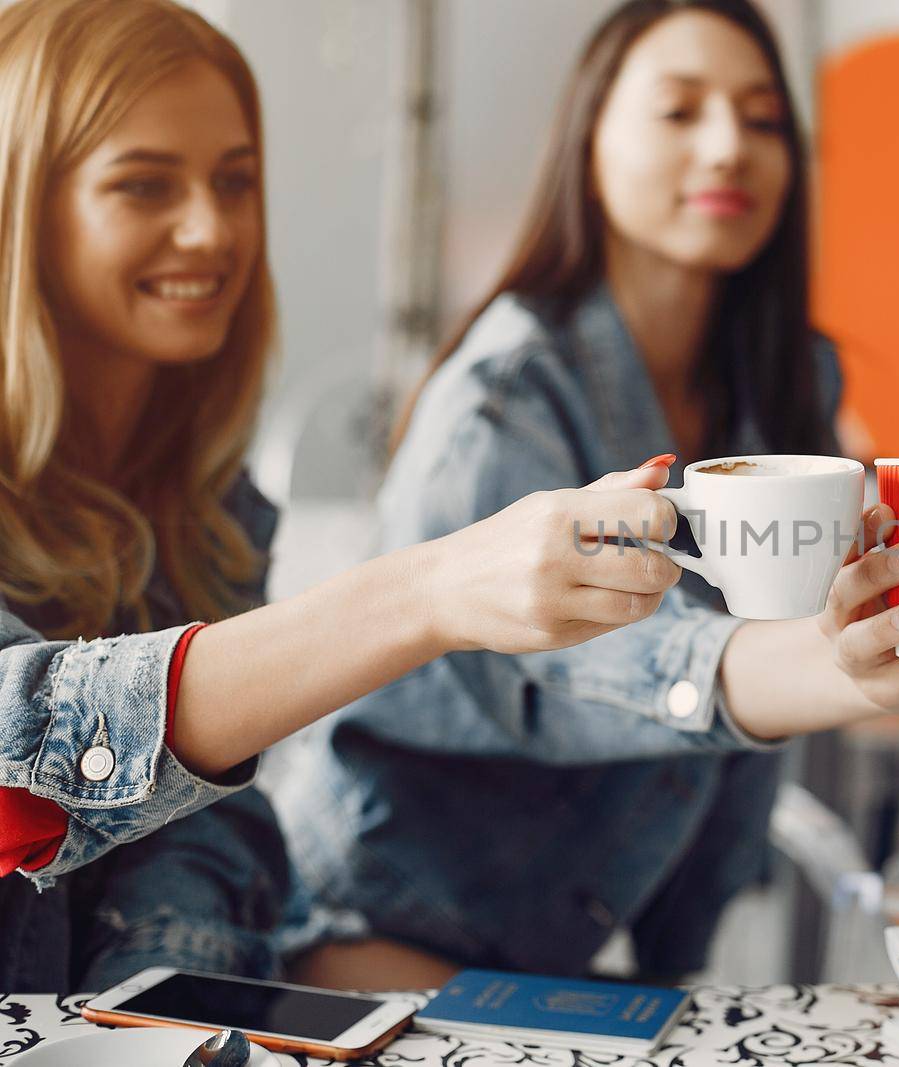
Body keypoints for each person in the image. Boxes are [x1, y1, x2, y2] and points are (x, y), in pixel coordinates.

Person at [275, 0, 899, 988]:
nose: (729, 146)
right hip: (366, 940)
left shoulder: (785, 379)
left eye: (763, 118)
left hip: (571, 956)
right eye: (680, 111)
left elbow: (746, 713)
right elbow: (576, 667)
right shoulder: (503, 398)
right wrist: (832, 665)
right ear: (588, 139)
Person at [0, 0, 689, 992]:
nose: (211, 228)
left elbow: (200, 840)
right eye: (144, 185)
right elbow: (23, 758)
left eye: (235, 182)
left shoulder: (213, 507)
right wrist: (427, 592)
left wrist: (167, 1011)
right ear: (26, 207)